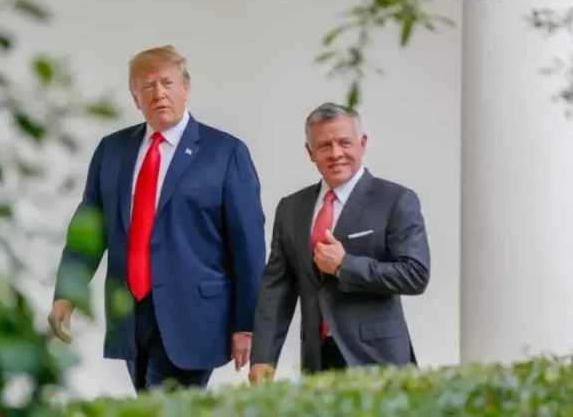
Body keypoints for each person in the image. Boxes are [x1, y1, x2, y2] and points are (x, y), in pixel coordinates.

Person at [47, 45, 266, 392]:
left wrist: (248, 324)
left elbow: (248, 245)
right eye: (147, 86)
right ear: (135, 98)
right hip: (131, 316)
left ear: (185, 88)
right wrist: (65, 294)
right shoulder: (113, 150)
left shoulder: (225, 153)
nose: (159, 93)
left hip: (195, 317)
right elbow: (88, 231)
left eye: (167, 83)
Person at [248, 102, 430, 384]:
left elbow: (415, 275)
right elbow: (277, 288)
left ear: (362, 143)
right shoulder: (291, 208)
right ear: (310, 152)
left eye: (344, 143)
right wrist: (263, 357)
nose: (336, 154)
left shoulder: (395, 200)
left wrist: (345, 265)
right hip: (317, 359)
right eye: (324, 146)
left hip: (378, 360)